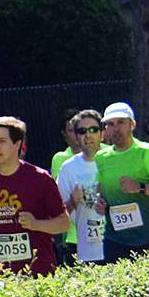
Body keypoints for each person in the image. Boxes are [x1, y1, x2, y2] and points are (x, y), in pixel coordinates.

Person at [0, 117, 70, 274]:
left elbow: (64, 223)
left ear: (17, 144)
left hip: (37, 269)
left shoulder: (40, 178)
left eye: (2, 141)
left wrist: (36, 224)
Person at [92, 103, 149, 261]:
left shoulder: (148, 152)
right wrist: (99, 201)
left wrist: (140, 187)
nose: (116, 128)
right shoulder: (101, 158)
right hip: (115, 241)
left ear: (132, 124)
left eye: (121, 122)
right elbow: (101, 189)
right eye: (110, 124)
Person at [52, 109, 106, 265]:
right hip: (78, 243)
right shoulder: (67, 167)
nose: (88, 135)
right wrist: (73, 202)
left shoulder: (115, 159)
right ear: (76, 136)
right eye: (82, 131)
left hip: (114, 241)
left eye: (93, 130)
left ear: (102, 133)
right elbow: (57, 213)